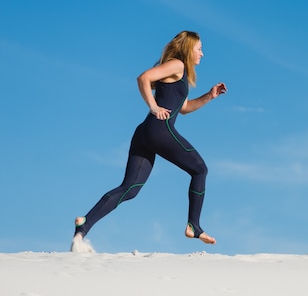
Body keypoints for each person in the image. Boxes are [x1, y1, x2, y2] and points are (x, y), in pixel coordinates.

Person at [72, 31, 227, 249]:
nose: (202, 53)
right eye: (199, 48)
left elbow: (183, 108)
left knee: (130, 188)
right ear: (188, 49)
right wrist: (153, 107)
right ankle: (194, 226)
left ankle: (84, 226)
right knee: (200, 169)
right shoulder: (177, 65)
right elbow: (143, 78)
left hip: (145, 133)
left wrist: (209, 96)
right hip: (159, 130)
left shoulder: (180, 74)